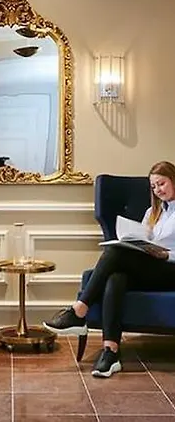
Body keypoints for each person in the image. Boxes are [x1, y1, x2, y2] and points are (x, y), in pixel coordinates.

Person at [43, 161, 175, 378]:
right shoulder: (153, 212)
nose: (158, 190)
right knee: (116, 277)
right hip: (153, 268)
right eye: (153, 187)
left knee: (115, 253)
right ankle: (110, 352)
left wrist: (166, 255)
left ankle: (79, 310)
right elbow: (145, 239)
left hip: (172, 270)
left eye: (161, 184)